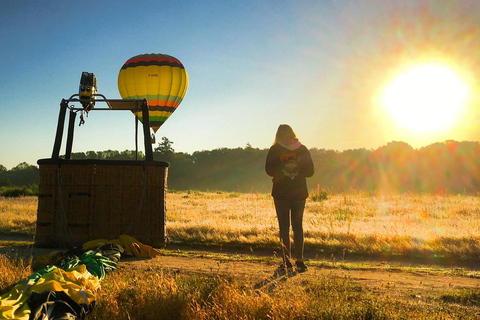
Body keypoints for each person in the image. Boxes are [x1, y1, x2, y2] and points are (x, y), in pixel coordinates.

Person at [265, 124, 314, 274]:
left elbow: (269, 170)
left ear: (278, 135)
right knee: (298, 227)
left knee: (284, 228)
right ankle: (300, 261)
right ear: (293, 133)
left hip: (281, 194)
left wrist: (282, 171)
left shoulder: (275, 149)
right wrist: (298, 170)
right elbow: (310, 172)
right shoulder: (302, 149)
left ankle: (286, 262)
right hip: (299, 193)